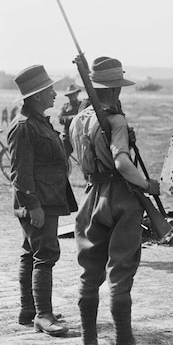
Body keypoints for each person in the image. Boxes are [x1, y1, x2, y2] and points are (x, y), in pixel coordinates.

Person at [69, 57, 160, 345]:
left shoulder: (77, 120)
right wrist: (147, 185)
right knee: (120, 271)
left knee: (89, 269)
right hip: (120, 197)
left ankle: (89, 339)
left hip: (90, 197)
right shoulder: (116, 120)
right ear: (116, 90)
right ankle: (123, 339)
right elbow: (121, 163)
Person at [7, 65, 77, 337]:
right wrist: (33, 205)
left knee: (31, 252)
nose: (55, 94)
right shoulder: (24, 126)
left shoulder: (37, 121)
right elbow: (19, 173)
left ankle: (29, 310)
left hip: (46, 199)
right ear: (37, 96)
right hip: (39, 203)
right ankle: (43, 316)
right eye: (50, 90)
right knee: (45, 254)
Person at [58, 84, 82, 157]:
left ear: (77, 94)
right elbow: (60, 119)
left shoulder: (82, 105)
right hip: (68, 135)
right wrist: (74, 118)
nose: (72, 97)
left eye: (74, 94)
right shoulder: (65, 107)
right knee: (63, 155)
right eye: (70, 95)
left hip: (80, 135)